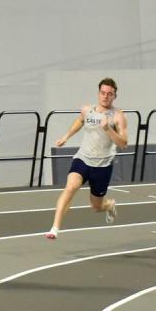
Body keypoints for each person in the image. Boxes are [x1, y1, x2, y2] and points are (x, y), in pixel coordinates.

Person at [45, 78, 129, 239]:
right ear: (99, 93)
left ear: (114, 96)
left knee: (96, 206)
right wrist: (66, 136)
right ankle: (54, 228)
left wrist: (108, 129)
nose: (105, 96)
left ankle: (109, 205)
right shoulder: (87, 110)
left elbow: (124, 143)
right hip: (82, 158)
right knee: (70, 188)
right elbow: (80, 121)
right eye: (103, 93)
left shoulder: (118, 116)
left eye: (110, 94)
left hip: (102, 165)